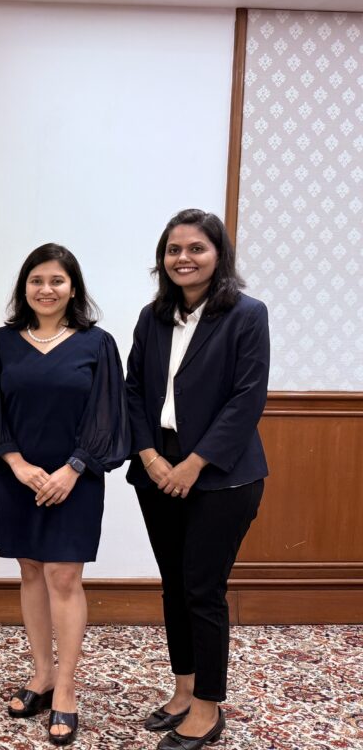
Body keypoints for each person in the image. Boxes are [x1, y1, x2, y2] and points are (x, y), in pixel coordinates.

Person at [0, 243, 128, 746]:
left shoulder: (97, 344)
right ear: (24, 288)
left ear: (73, 288)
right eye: (36, 280)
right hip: (16, 478)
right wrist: (17, 465)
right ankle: (41, 674)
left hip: (75, 479)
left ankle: (66, 687)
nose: (46, 289)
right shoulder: (0, 343)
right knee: (30, 570)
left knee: (64, 575)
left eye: (57, 280)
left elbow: (108, 415)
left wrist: (73, 469)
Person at [125, 209, 268, 750]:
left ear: (218, 254)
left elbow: (247, 398)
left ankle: (208, 706)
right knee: (174, 584)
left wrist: (195, 462)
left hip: (222, 476)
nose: (183, 258)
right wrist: (149, 455)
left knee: (203, 589)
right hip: (156, 468)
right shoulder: (152, 317)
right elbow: (132, 390)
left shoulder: (246, 315)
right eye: (173, 249)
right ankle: (183, 688)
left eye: (196, 248)